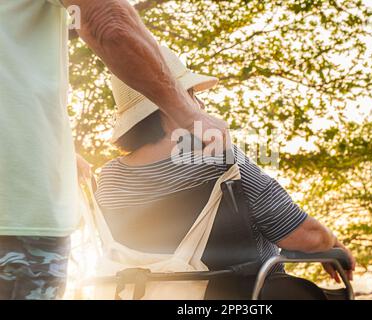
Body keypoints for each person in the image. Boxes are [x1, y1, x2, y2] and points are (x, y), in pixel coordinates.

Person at [0, 0, 227, 300]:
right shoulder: (227, 169)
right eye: (194, 97)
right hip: (17, 217)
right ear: (163, 115)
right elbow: (106, 20)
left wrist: (59, 148)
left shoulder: (109, 181)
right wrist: (189, 114)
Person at [95, 47, 356, 290]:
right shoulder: (218, 161)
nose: (201, 106)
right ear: (167, 108)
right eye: (190, 96)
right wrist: (332, 244)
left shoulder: (108, 181)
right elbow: (306, 236)